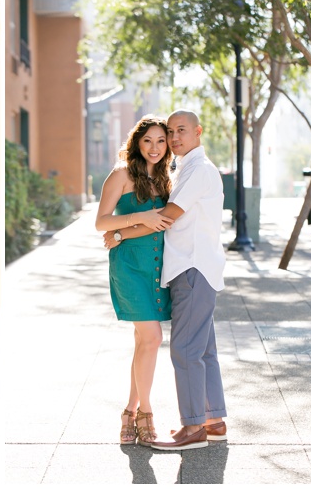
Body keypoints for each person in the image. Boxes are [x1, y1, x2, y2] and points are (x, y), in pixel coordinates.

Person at [106, 110, 228, 451]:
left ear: (198, 132)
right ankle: (212, 420)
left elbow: (169, 217)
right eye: (169, 132)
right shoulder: (184, 169)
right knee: (203, 348)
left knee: (186, 350)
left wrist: (120, 233)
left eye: (180, 132)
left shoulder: (196, 171)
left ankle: (192, 429)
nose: (173, 139)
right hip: (192, 267)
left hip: (191, 267)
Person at [95, 115, 175, 446]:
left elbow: (168, 222)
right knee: (153, 338)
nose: (154, 148)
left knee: (145, 342)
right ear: (137, 143)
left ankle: (128, 411)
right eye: (147, 141)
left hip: (158, 268)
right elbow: (101, 222)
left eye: (160, 141)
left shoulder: (171, 178)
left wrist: (123, 232)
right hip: (129, 267)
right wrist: (136, 218)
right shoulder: (121, 174)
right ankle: (146, 413)